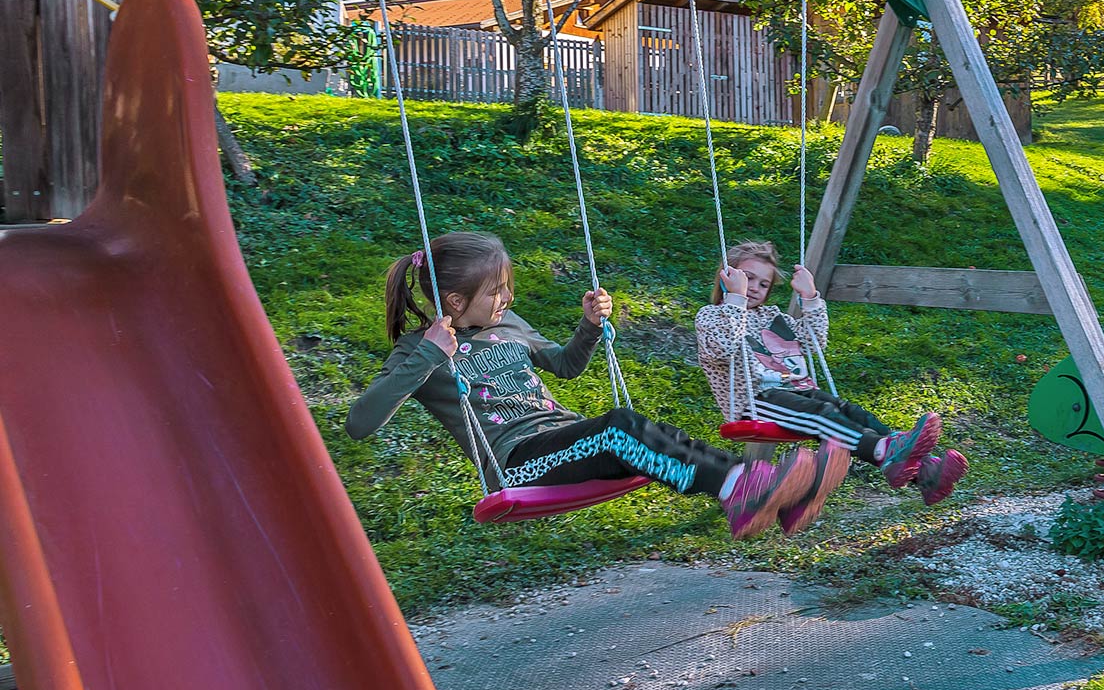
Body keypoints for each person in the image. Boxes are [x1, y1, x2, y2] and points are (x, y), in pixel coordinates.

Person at [347, 231, 847, 539]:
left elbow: (564, 366)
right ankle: (742, 488)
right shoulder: (420, 349)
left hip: (564, 439)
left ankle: (775, 496)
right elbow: (360, 423)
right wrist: (433, 352)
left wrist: (587, 328)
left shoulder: (511, 324)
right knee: (620, 428)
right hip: (520, 464)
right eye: (495, 290)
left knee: (643, 431)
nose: (508, 295)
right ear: (455, 302)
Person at [694, 240, 967, 509]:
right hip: (756, 402)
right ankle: (885, 452)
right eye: (747, 279)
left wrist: (810, 297)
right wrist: (735, 299)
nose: (754, 288)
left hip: (796, 391)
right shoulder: (712, 316)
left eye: (763, 284)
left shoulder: (774, 316)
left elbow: (814, 342)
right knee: (822, 415)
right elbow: (722, 348)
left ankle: (925, 472)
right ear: (727, 277)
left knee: (851, 412)